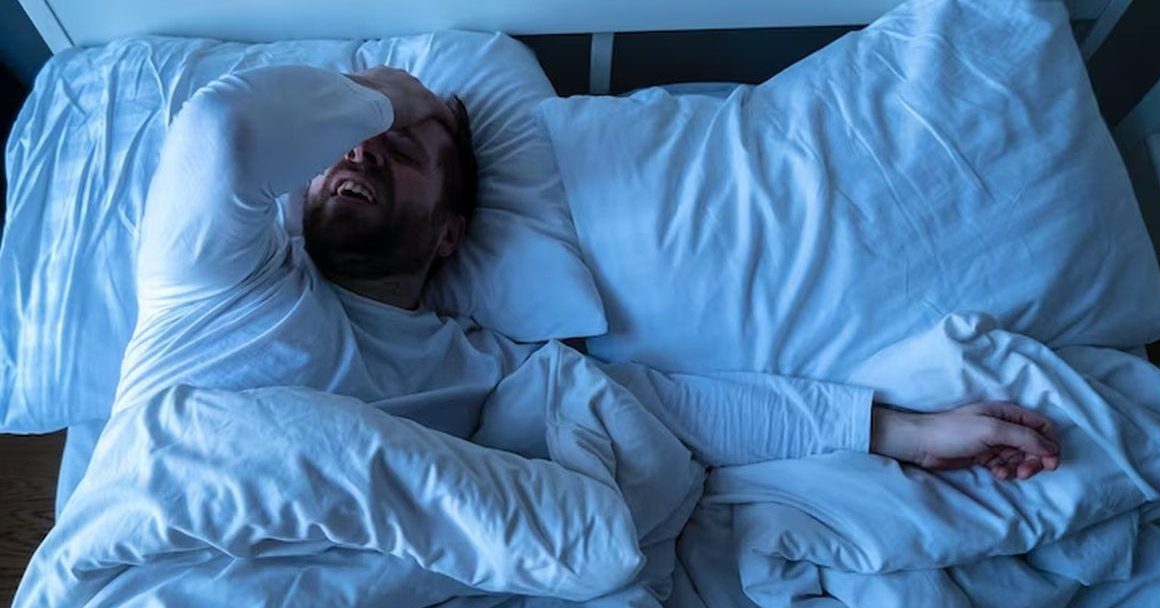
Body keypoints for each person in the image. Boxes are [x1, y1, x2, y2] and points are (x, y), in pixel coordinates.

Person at [111, 64, 1060, 486]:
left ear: (450, 234)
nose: (365, 148)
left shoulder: (485, 366)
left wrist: (904, 429)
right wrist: (385, 95)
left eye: (403, 146)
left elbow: (674, 409)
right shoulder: (221, 280)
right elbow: (223, 131)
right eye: (350, 137)